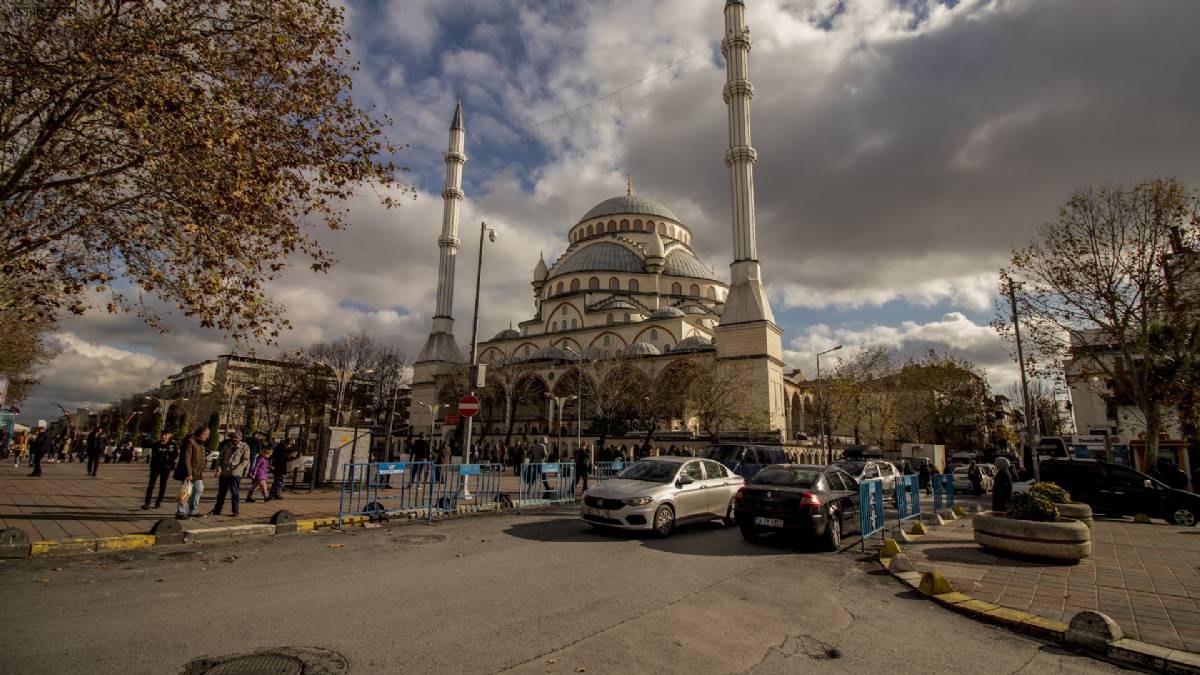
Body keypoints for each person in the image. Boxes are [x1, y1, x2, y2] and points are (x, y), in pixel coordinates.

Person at [210, 431, 249, 517]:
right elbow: (220, 458)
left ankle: (235, 511)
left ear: (240, 438)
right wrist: (219, 468)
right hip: (224, 473)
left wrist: (238, 469)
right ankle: (217, 510)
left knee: (235, 492)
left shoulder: (244, 447)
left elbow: (245, 460)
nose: (234, 439)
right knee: (221, 493)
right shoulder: (227, 446)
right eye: (233, 437)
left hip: (235, 474)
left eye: (237, 437)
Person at [174, 427, 209, 519]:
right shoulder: (191, 441)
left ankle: (193, 511)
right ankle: (181, 512)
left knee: (198, 490)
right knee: (185, 491)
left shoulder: (200, 443)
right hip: (189, 472)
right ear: (202, 434)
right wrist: (189, 473)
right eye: (207, 434)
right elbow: (187, 457)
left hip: (198, 472)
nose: (208, 437)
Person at [141, 432, 178, 510]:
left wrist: (169, 464)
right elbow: (151, 452)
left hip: (166, 468)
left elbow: (175, 455)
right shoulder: (156, 444)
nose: (163, 436)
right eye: (162, 435)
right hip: (156, 467)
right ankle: (147, 503)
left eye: (165, 435)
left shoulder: (172, 445)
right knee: (151, 485)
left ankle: (158, 503)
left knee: (163, 485)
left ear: (169, 436)